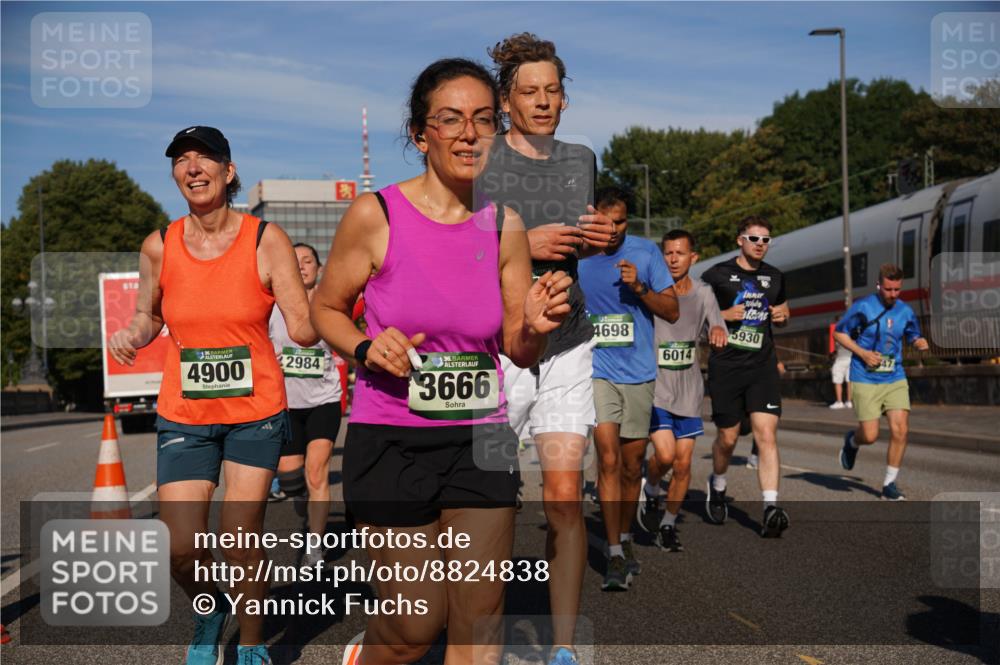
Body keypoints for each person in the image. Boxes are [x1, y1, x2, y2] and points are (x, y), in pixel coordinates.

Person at [309, 58, 572, 665]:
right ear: (420, 133)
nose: (468, 133)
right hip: (391, 439)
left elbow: (518, 349)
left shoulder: (505, 226)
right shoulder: (377, 215)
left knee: (478, 626)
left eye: (483, 119)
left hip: (481, 441)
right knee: (412, 629)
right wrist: (366, 347)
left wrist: (534, 327)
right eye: (450, 119)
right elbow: (326, 310)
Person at [109, 126, 316, 665]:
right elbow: (148, 315)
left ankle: (250, 647)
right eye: (181, 160)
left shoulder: (263, 239)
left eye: (205, 158)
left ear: (228, 172)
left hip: (256, 410)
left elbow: (301, 324)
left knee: (240, 531)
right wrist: (132, 334)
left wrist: (337, 310)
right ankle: (210, 609)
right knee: (180, 545)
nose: (192, 167)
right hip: (185, 412)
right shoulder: (159, 243)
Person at [477, 32, 614, 665]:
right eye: (529, 92)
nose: (543, 101)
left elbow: (580, 240)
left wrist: (594, 239)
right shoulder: (478, 159)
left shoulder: (582, 158)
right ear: (506, 101)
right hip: (500, 346)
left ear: (565, 98)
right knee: (490, 500)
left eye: (552, 91)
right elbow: (456, 251)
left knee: (563, 495)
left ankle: (562, 648)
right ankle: (479, 634)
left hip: (568, 342)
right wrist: (522, 243)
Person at [577, 187, 677, 590]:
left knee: (633, 464)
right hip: (596, 371)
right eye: (606, 223)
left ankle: (626, 537)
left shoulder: (646, 252)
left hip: (638, 371)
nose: (614, 230)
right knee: (607, 458)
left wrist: (639, 288)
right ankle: (614, 552)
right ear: (593, 219)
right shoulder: (578, 255)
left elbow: (671, 310)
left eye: (621, 222)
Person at [701, 215, 791, 538]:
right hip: (726, 367)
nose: (761, 245)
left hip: (762, 366)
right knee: (727, 438)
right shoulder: (717, 275)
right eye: (755, 239)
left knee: (766, 434)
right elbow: (694, 315)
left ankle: (770, 507)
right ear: (740, 240)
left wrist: (782, 316)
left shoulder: (775, 276)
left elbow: (783, 310)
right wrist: (722, 316)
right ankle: (718, 483)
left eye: (766, 240)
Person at [637, 229, 727, 552]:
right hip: (657, 386)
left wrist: (717, 330)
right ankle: (650, 489)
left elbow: (718, 325)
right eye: (668, 253)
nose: (673, 259)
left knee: (684, 463)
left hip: (689, 390)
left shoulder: (703, 293)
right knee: (665, 455)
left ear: (693, 258)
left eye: (680, 253)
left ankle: (667, 525)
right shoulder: (652, 292)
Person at [269, 242, 343, 567]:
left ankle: (315, 545)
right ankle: (301, 500)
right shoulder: (272, 306)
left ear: (318, 267)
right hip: (286, 403)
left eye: (308, 260)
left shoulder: (331, 306)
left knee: (317, 473)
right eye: (294, 261)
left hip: (324, 400)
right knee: (291, 479)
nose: (301, 266)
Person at [834, 263, 929, 500]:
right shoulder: (864, 306)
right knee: (870, 435)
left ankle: (889, 484)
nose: (893, 294)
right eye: (888, 289)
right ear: (879, 285)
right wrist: (863, 353)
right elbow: (839, 332)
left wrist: (918, 341)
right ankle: (852, 442)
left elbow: (912, 333)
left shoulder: (905, 311)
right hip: (865, 377)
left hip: (895, 376)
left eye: (897, 289)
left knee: (901, 429)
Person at [829, 320, 853, 409]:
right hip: (850, 359)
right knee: (849, 381)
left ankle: (839, 401)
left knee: (837, 381)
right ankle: (849, 401)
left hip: (840, 360)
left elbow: (835, 349)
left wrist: (832, 354)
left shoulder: (837, 334)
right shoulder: (851, 333)